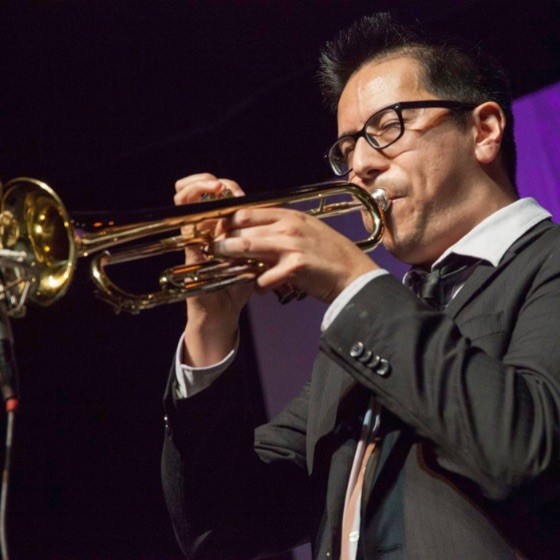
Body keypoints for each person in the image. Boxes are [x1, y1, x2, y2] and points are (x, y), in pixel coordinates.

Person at [161, 12, 560, 560]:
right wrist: (211, 323)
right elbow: (223, 527)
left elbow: (528, 453)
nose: (360, 168)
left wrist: (353, 282)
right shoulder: (367, 334)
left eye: (388, 127)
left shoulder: (547, 265)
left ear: (484, 130)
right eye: (348, 148)